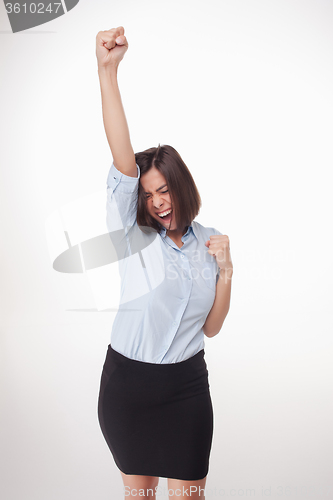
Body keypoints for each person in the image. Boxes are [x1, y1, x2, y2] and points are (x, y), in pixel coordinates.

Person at [96, 27, 233, 500]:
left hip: (186, 389)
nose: (156, 202)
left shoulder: (210, 241)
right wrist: (108, 71)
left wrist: (228, 271)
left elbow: (211, 329)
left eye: (164, 189)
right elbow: (121, 155)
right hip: (128, 386)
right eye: (148, 193)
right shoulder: (135, 237)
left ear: (181, 186)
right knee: (140, 496)